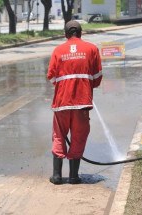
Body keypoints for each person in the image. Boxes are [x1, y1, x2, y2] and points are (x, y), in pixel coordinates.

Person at [47, 20, 102, 185]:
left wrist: (65, 86)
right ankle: (73, 176)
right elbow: (97, 78)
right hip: (82, 103)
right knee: (78, 137)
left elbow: (51, 77)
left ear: (65, 34)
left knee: (59, 136)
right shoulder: (91, 49)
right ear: (80, 33)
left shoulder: (58, 50)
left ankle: (57, 176)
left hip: (61, 103)